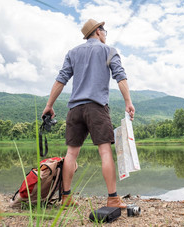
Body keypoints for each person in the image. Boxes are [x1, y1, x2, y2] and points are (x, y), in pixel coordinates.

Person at [42, 19, 135, 208]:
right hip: (96, 108)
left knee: (71, 153)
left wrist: (49, 105)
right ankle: (112, 198)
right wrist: (128, 102)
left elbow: (61, 80)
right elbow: (120, 77)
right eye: (105, 31)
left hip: (74, 110)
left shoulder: (73, 53)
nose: (105, 34)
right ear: (98, 32)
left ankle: (66, 197)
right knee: (104, 151)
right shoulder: (109, 50)